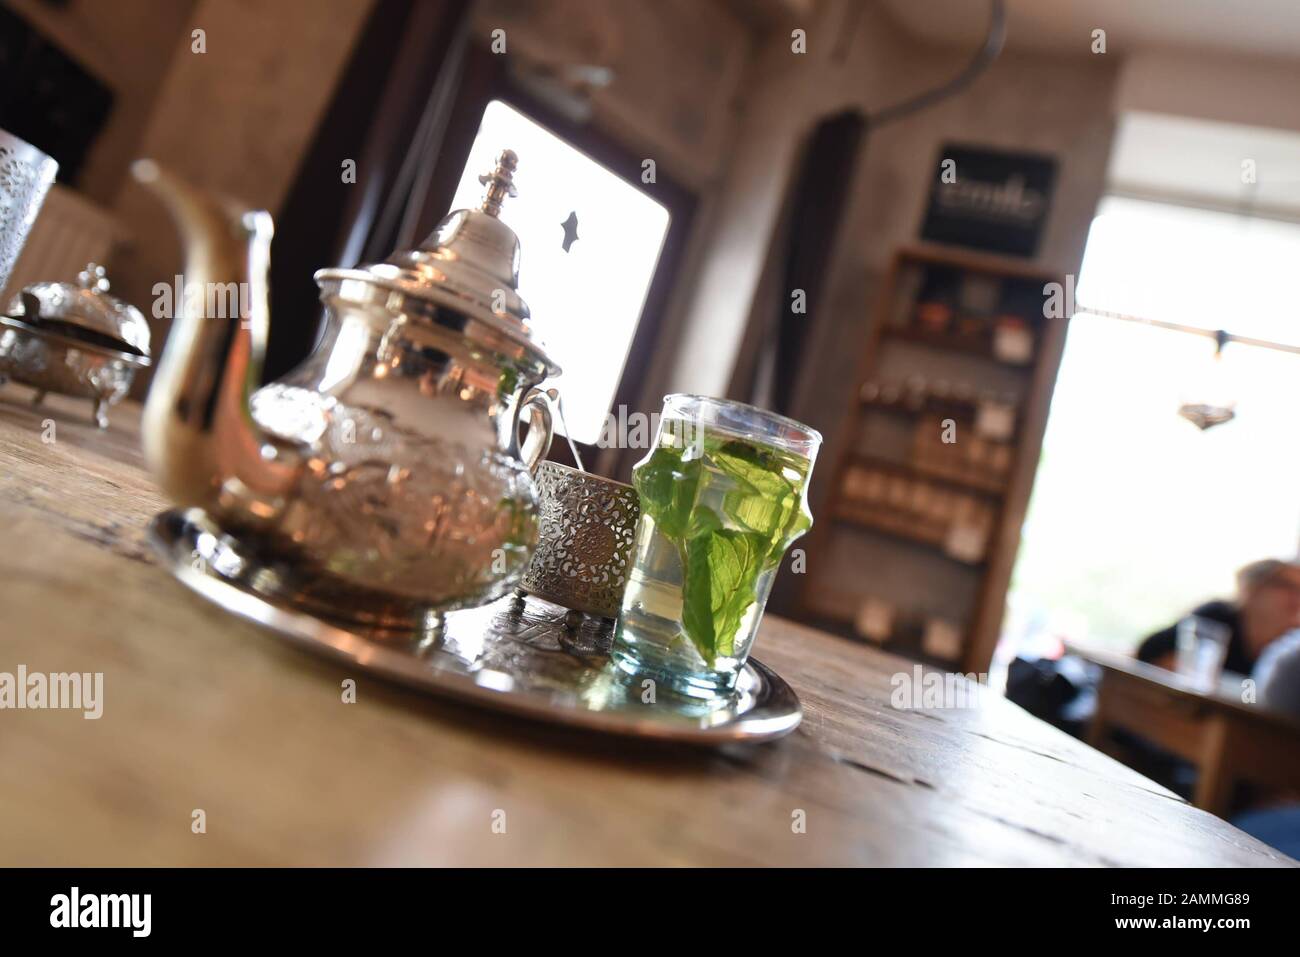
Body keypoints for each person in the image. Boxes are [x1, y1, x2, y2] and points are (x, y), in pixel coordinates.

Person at [1136, 558, 1300, 675]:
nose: (1296, 596)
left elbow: (1253, 697)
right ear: (1254, 589)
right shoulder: (1217, 616)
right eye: (1286, 586)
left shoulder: (1290, 642)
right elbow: (1149, 651)